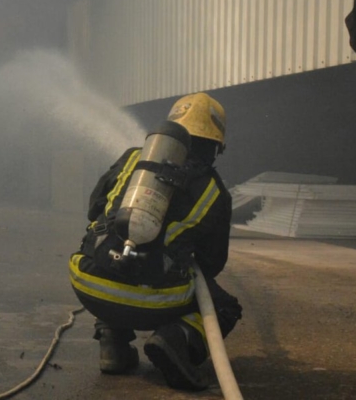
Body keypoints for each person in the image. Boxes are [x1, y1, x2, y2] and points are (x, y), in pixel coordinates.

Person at [68, 92, 242, 391]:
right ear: (215, 146)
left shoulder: (132, 159)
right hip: (153, 303)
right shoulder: (215, 191)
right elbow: (212, 264)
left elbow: (94, 208)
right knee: (225, 307)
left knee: (109, 260)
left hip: (90, 284)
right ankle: (177, 339)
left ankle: (113, 347)